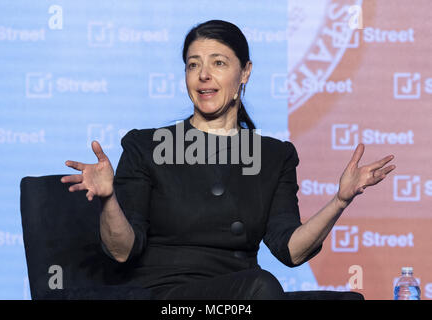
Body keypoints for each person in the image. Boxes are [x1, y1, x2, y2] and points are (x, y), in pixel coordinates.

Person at [61, 20, 395, 300]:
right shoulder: (146, 146)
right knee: (260, 287)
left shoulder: (274, 156)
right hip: (165, 296)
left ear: (245, 72)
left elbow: (291, 250)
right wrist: (108, 200)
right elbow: (122, 250)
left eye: (218, 63)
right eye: (193, 65)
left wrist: (339, 200)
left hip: (243, 294)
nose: (203, 75)